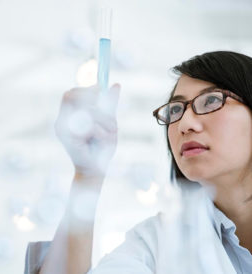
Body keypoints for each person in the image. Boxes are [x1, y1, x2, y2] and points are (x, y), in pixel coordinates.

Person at [24, 51, 252, 274]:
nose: (185, 124)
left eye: (211, 100)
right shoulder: (154, 242)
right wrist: (88, 176)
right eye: (175, 110)